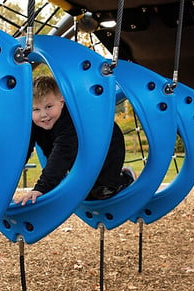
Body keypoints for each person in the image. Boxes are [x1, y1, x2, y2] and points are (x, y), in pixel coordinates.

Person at [14, 74, 133, 205]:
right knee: (82, 194)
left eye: (48, 106)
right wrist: (5, 185)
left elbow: (62, 153)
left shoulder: (70, 120)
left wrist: (41, 188)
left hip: (107, 146)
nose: (43, 115)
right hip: (79, 152)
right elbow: (22, 152)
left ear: (61, 101)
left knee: (103, 191)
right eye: (36, 109)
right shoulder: (33, 124)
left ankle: (125, 177)